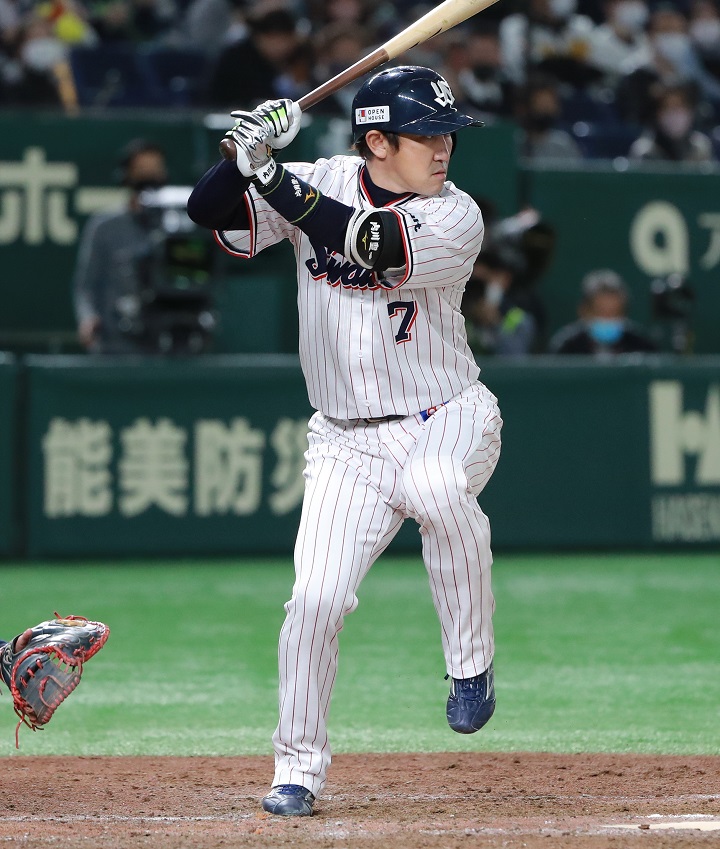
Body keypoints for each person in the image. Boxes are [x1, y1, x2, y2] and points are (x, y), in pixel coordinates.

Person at [187, 66, 503, 817]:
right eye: (427, 134)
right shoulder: (323, 176)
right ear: (377, 141)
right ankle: (296, 769)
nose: (444, 148)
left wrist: (271, 174)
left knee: (435, 489)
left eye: (448, 135)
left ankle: (470, 664)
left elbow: (365, 240)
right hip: (343, 442)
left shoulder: (457, 215)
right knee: (315, 601)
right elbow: (208, 212)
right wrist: (242, 156)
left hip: (447, 415)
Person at [72, 138, 169, 354]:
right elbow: (86, 285)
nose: (149, 178)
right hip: (114, 343)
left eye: (155, 170)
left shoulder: (176, 225)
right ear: (127, 175)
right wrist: (88, 318)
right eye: (142, 171)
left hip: (165, 345)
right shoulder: (104, 227)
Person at [549, 268, 657, 354]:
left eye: (615, 313)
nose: (608, 320)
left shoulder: (642, 346)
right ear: (584, 311)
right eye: (601, 312)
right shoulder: (566, 347)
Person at [463, 245, 537, 356]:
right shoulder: (456, 314)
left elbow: (513, 361)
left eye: (484, 283)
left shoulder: (521, 322)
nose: (477, 290)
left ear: (505, 279)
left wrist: (495, 323)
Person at [628, 82, 715, 162]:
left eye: (679, 106)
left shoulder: (700, 146)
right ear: (657, 113)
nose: (674, 113)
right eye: (667, 107)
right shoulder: (645, 150)